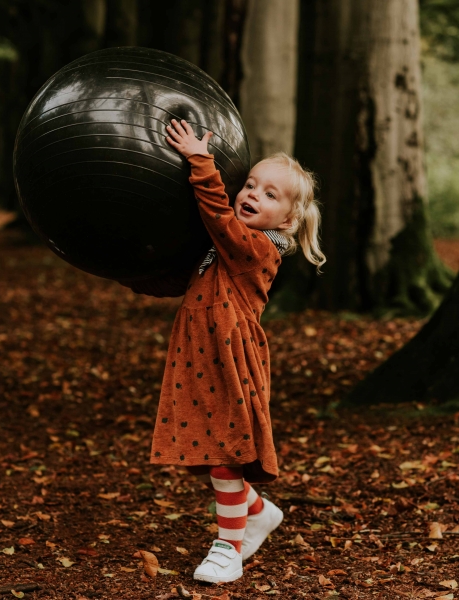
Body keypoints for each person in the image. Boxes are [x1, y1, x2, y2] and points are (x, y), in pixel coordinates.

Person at [152, 119, 325, 583]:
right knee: (213, 453)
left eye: (271, 195)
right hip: (199, 355)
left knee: (225, 454)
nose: (252, 194)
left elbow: (218, 218)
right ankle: (259, 513)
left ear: (287, 221)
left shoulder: (259, 249)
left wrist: (200, 162)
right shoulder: (224, 248)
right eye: (250, 185)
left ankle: (227, 548)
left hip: (232, 360)